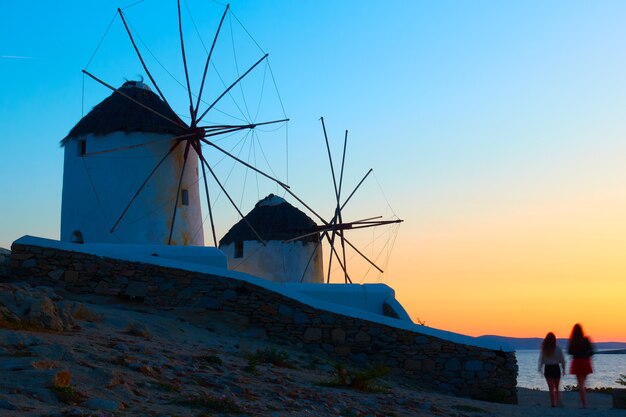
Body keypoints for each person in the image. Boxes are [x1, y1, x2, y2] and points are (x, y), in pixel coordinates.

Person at [568, 323, 594, 408]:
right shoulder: (586, 339)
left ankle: (583, 403)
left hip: (577, 362)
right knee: (583, 383)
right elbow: (592, 351)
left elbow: (569, 352)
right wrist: (586, 354)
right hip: (585, 362)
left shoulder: (573, 341)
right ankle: (583, 402)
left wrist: (576, 352)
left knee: (580, 383)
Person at [538, 332, 566, 407]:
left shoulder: (544, 349)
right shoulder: (558, 349)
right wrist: (563, 368)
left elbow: (541, 360)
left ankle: (553, 404)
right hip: (556, 368)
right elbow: (562, 360)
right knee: (557, 388)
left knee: (551, 388)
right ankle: (558, 402)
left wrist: (540, 369)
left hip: (548, 368)